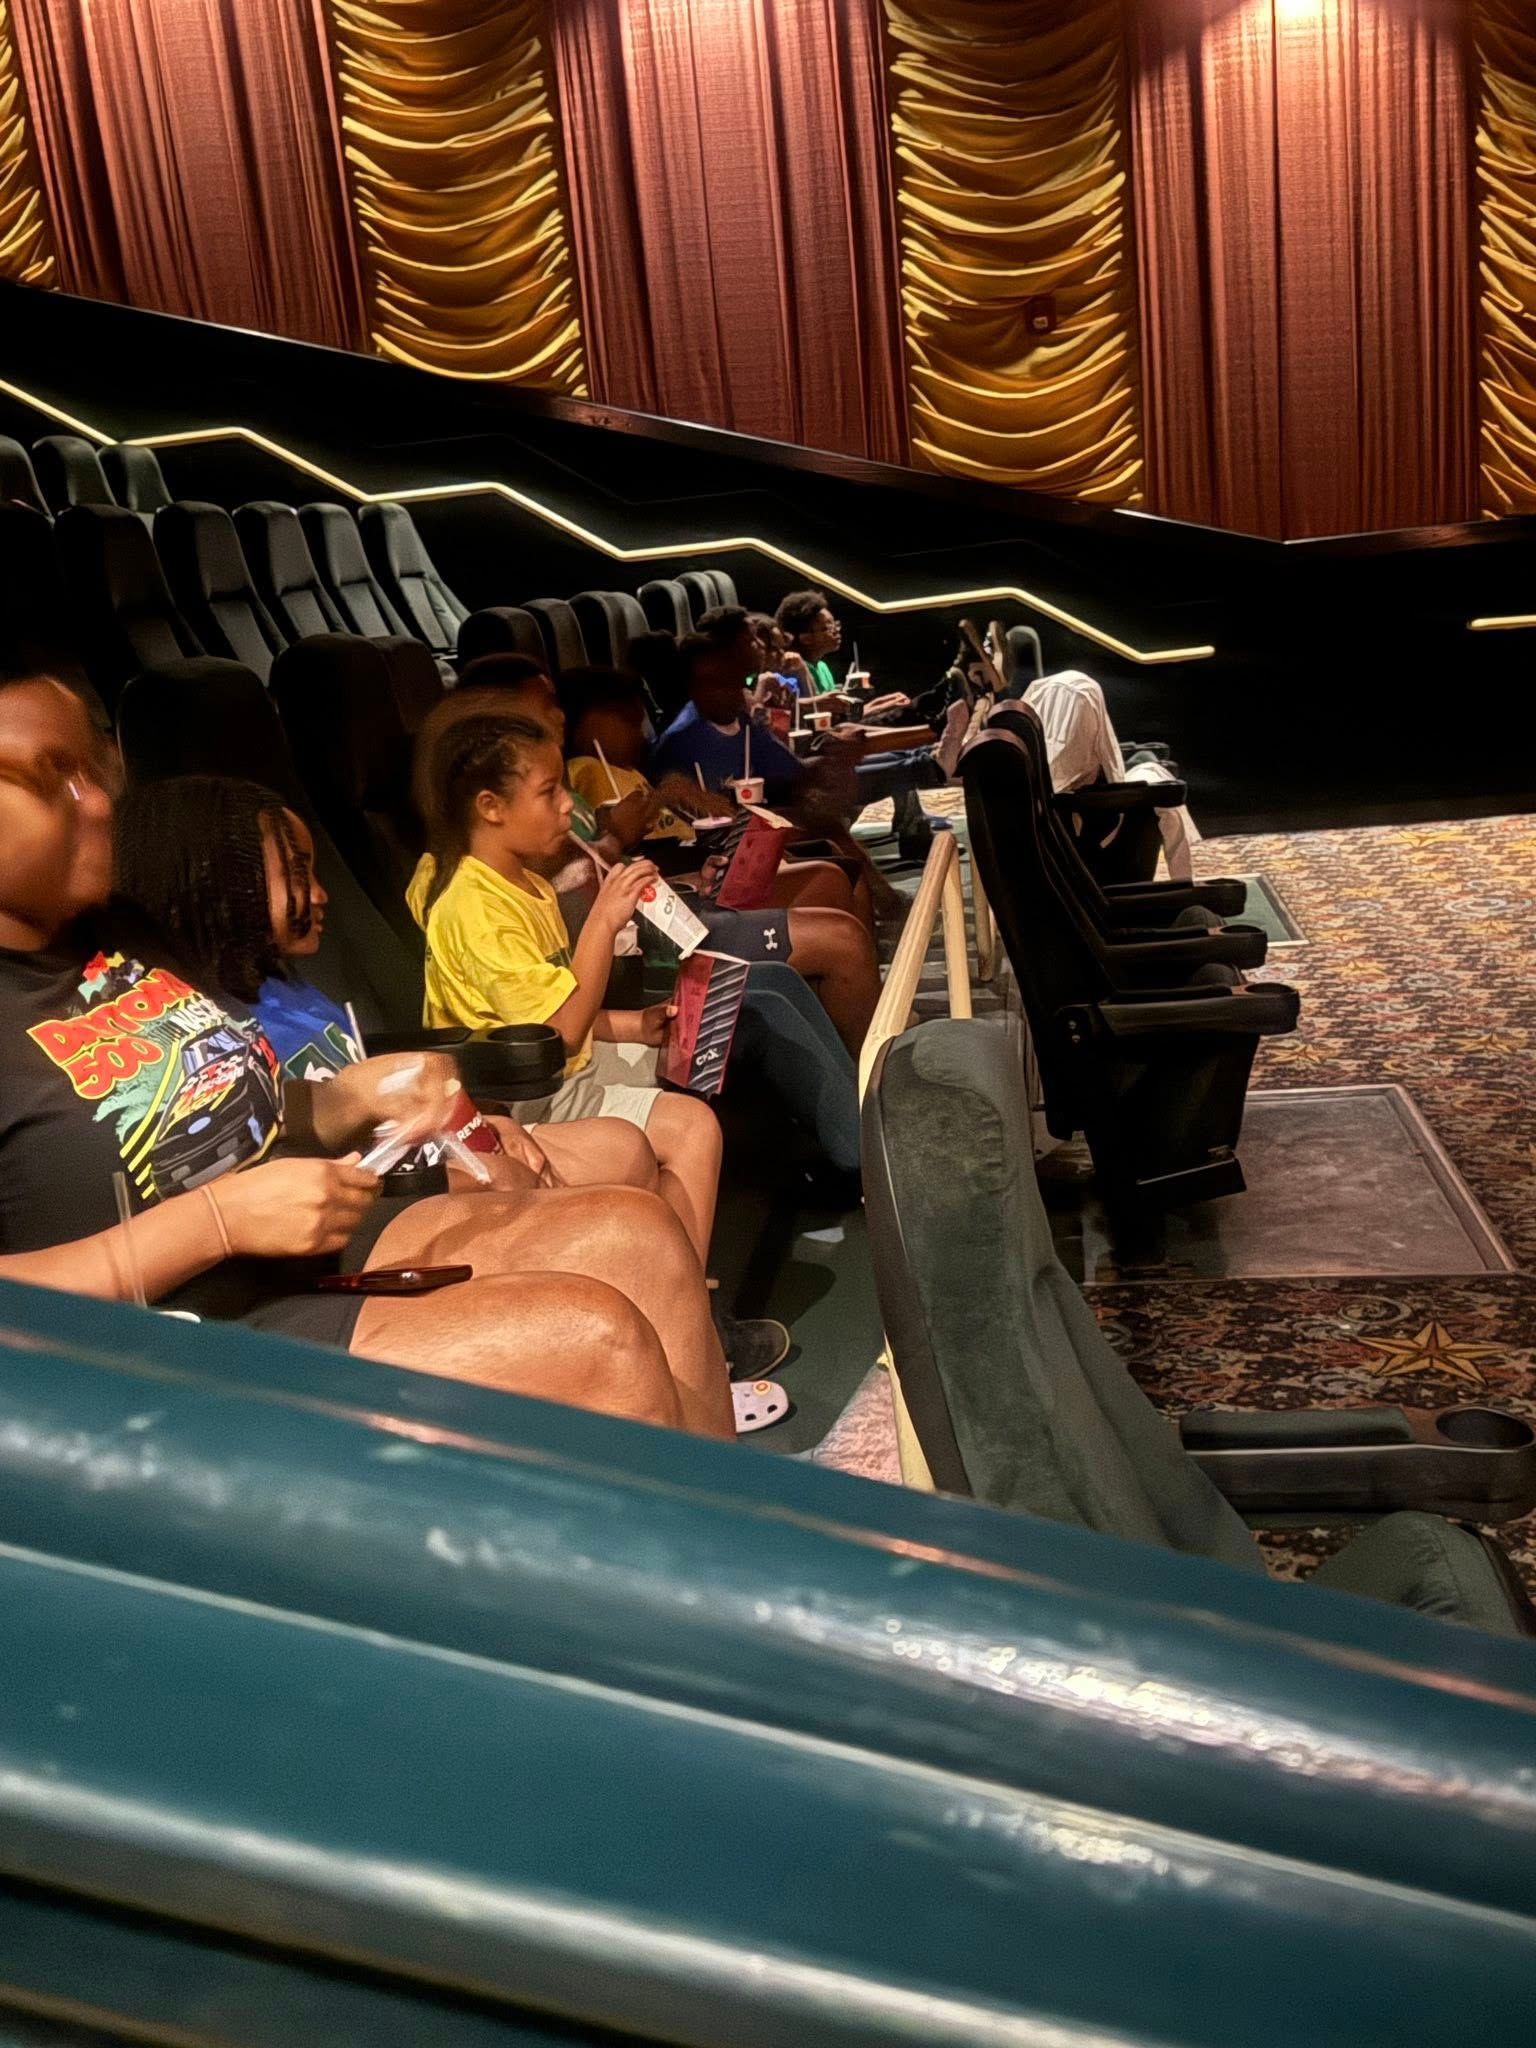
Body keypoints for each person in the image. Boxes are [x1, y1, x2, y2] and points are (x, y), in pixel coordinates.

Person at [0, 669, 753, 1436]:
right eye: (47, 777)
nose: (95, 802)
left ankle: (752, 1532)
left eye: (91, 772)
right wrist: (215, 1224)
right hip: (170, 1333)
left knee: (641, 1237)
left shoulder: (118, 939)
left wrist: (360, 1094)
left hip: (291, 1258)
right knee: (596, 1337)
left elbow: (211, 1108)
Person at [408, 709, 727, 1266]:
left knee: (695, 1056)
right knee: (692, 1130)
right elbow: (556, 1035)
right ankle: (687, 1302)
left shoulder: (526, 883)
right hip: (517, 1095)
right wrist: (603, 921)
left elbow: (556, 1000)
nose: (567, 806)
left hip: (557, 1069)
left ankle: (670, 1281)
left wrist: (633, 1026)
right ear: (491, 807)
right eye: (550, 791)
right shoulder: (474, 908)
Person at [563, 667, 879, 1052]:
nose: (639, 733)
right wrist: (619, 837)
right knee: (837, 924)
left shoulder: (623, 774)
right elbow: (600, 876)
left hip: (677, 891)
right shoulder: (586, 774)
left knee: (830, 874)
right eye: (628, 722)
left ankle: (856, 1019)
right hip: (656, 930)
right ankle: (866, 1056)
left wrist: (691, 871)